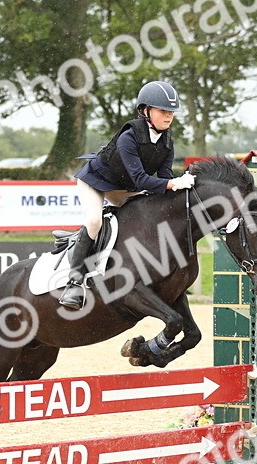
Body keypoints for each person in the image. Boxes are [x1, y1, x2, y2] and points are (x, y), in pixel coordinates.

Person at [59, 81, 196, 308]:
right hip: (95, 182)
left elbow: (163, 178)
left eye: (171, 112)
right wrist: (174, 183)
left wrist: (179, 185)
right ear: (145, 111)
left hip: (122, 188)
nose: (169, 116)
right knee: (94, 221)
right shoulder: (129, 137)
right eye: (163, 111)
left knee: (147, 215)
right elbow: (143, 180)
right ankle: (74, 282)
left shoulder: (167, 143)